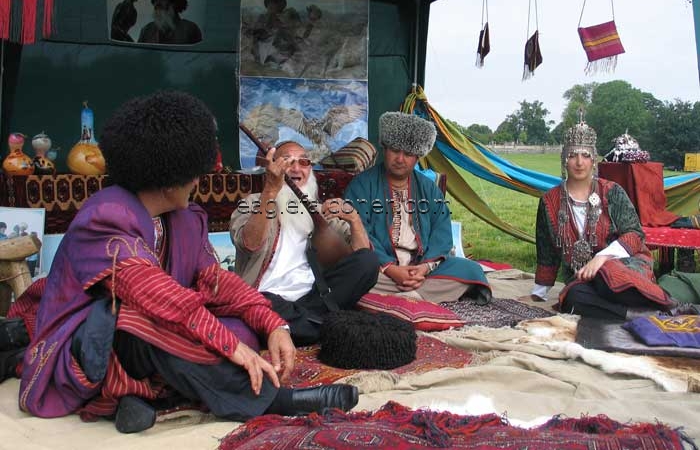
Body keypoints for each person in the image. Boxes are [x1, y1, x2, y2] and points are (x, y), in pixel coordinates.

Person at [0, 91, 357, 433]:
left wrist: (273, 323)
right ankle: (273, 399)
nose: (200, 180)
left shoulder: (184, 218)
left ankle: (135, 394)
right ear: (170, 175)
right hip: (94, 340)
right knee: (145, 322)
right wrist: (232, 348)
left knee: (238, 327)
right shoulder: (105, 216)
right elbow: (159, 297)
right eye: (195, 172)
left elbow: (215, 280)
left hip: (153, 337)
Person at [229, 140, 379, 346]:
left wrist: (355, 220)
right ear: (274, 168)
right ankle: (324, 326)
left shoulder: (321, 212)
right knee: (263, 304)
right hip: (268, 300)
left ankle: (304, 327)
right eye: (287, 161)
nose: (296, 168)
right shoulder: (254, 203)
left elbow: (359, 261)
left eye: (304, 162)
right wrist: (271, 192)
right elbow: (248, 244)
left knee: (368, 261)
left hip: (317, 299)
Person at [530, 117, 677, 319]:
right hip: (581, 278)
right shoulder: (549, 201)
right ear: (564, 159)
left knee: (607, 278)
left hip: (625, 266)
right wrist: (538, 294)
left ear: (594, 160)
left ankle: (662, 303)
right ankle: (632, 314)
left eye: (585, 155)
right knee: (572, 297)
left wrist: (601, 259)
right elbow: (546, 249)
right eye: (573, 155)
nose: (579, 162)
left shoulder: (612, 192)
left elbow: (635, 234)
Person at [344, 112, 491, 305]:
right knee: (352, 272)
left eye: (409, 154)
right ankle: (417, 296)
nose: (400, 159)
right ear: (384, 148)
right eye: (395, 150)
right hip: (380, 268)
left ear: (418, 157)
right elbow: (360, 231)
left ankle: (399, 295)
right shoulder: (362, 184)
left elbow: (442, 230)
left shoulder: (428, 188)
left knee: (471, 270)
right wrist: (391, 269)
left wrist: (424, 268)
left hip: (419, 267)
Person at [138, 0, 202, 45]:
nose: (157, 4)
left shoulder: (190, 29)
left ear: (174, 2)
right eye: (155, 0)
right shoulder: (146, 30)